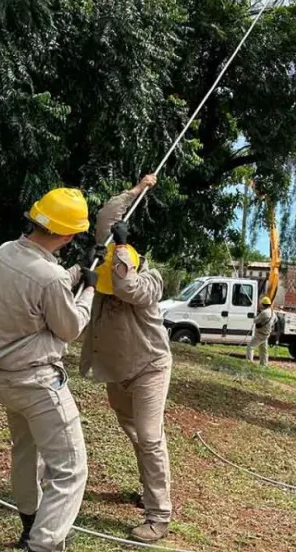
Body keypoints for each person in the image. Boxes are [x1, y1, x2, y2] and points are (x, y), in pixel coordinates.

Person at [0, 188, 97, 552]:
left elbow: (38, 287)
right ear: (67, 235)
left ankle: (30, 525)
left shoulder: (2, 254)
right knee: (71, 469)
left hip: (3, 378)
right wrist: (89, 290)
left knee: (25, 452)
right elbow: (70, 327)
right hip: (37, 384)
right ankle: (43, 545)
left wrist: (78, 270)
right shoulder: (50, 278)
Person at [79, 174, 173, 544]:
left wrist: (120, 249)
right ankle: (147, 489)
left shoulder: (150, 280)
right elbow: (106, 218)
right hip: (117, 371)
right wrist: (137, 191)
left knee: (150, 436)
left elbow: (127, 287)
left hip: (149, 368)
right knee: (135, 434)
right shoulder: (104, 280)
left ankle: (159, 514)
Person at [247, 296, 275, 367]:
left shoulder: (264, 313)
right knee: (264, 350)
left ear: (263, 304)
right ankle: (264, 364)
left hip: (260, 334)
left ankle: (249, 362)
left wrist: (256, 316)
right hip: (266, 334)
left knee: (250, 346)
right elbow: (276, 320)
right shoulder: (272, 313)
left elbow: (255, 321)